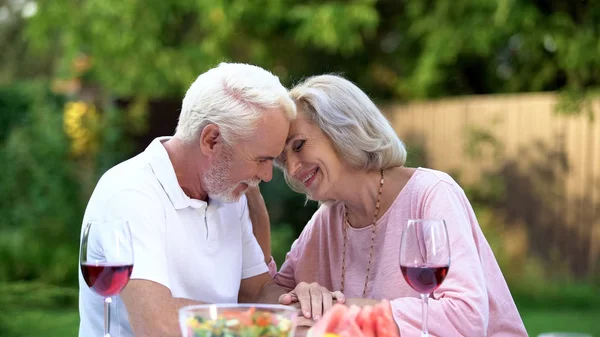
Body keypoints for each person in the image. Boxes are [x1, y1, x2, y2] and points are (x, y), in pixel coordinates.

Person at [78, 63, 343, 337]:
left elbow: (256, 290)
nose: (266, 176)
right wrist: (267, 323)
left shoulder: (227, 194)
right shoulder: (131, 193)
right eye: (261, 159)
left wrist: (295, 304)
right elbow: (157, 325)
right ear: (212, 140)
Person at [262, 74, 528, 336]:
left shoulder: (431, 193)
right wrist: (303, 294)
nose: (293, 168)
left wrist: (354, 311)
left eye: (298, 145)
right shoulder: (327, 221)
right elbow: (269, 297)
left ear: (343, 127)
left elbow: (465, 317)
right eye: (284, 160)